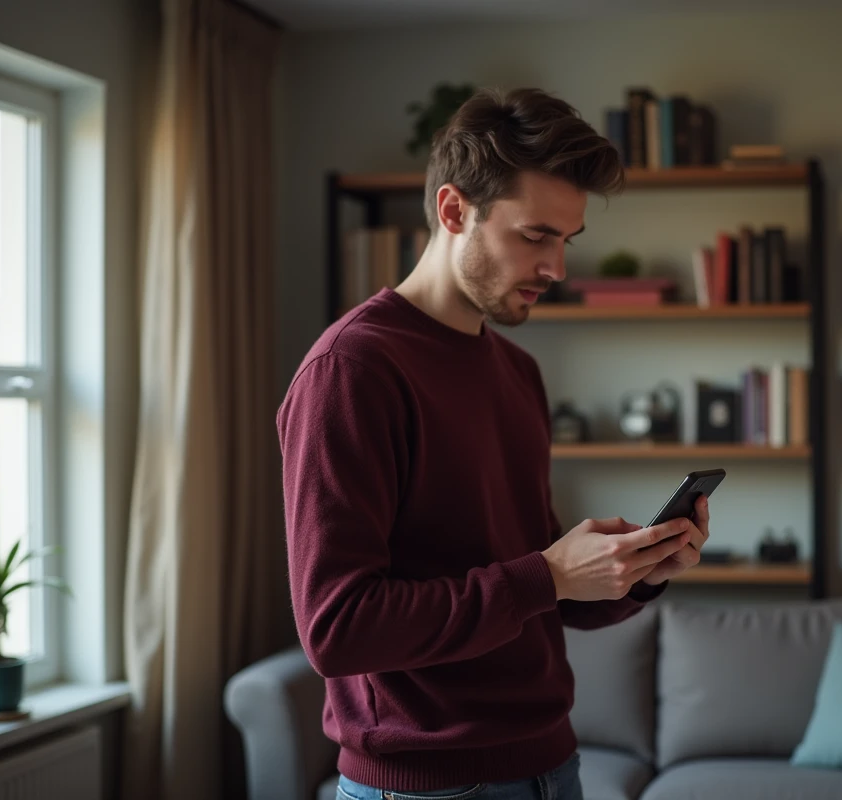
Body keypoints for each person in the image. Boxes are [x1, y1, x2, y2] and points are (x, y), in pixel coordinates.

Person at [277, 87, 710, 800]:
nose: (557, 270)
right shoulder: (351, 370)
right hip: (424, 786)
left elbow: (534, 589)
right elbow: (337, 629)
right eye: (535, 235)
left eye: (566, 242)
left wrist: (639, 571)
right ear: (454, 211)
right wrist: (547, 574)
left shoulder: (517, 372)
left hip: (551, 766)